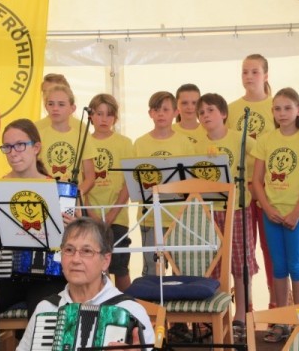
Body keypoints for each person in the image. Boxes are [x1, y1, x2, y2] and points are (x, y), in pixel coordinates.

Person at [0, 119, 67, 351]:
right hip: (8, 277)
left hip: (49, 278)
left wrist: (73, 226)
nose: (13, 152)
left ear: (36, 147)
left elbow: (75, 245)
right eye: (7, 147)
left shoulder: (60, 190)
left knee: (43, 313)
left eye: (20, 145)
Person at [16, 217, 155, 350]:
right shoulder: (47, 308)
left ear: (106, 260)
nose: (75, 259)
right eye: (69, 250)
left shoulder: (130, 310)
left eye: (87, 251)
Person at [252, 88, 299, 342]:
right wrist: (268, 208)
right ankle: (282, 320)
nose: (282, 113)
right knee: (279, 266)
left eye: (287, 108)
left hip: (297, 214)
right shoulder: (265, 140)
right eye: (277, 109)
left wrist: (295, 212)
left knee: (296, 264)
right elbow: (257, 180)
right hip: (272, 213)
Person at [195, 92, 258, 340]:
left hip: (238, 208)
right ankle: (217, 314)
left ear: (223, 114)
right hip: (210, 211)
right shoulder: (197, 145)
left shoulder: (240, 139)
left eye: (210, 110)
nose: (205, 115)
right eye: (201, 112)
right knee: (213, 264)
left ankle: (241, 314)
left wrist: (254, 182)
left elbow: (261, 156)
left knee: (240, 264)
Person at [227, 54, 277, 310]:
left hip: (271, 190)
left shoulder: (276, 106)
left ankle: (277, 305)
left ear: (266, 75)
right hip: (240, 191)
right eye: (245, 71)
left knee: (272, 250)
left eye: (255, 72)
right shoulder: (232, 108)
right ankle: (245, 310)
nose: (249, 76)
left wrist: (262, 185)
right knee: (244, 252)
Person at [133, 91, 195, 276]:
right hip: (150, 216)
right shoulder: (140, 143)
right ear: (150, 113)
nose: (160, 114)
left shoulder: (184, 143)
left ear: (176, 112)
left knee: (180, 270)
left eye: (165, 109)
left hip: (179, 217)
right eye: (156, 109)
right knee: (152, 271)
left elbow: (191, 180)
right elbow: (134, 179)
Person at [84, 93, 133, 291]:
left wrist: (112, 214)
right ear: (91, 116)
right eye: (99, 113)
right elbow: (81, 183)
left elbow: (129, 183)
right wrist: (91, 213)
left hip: (118, 217)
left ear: (115, 118)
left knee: (120, 267)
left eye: (109, 114)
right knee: (94, 268)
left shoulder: (125, 143)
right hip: (89, 216)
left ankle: (127, 306)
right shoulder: (84, 142)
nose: (104, 119)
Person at [38, 84, 96, 197]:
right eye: (51, 104)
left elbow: (90, 178)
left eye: (61, 104)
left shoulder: (82, 137)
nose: (55, 108)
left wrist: (74, 194)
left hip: (73, 201)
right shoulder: (38, 136)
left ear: (72, 109)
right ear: (46, 107)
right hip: (46, 197)